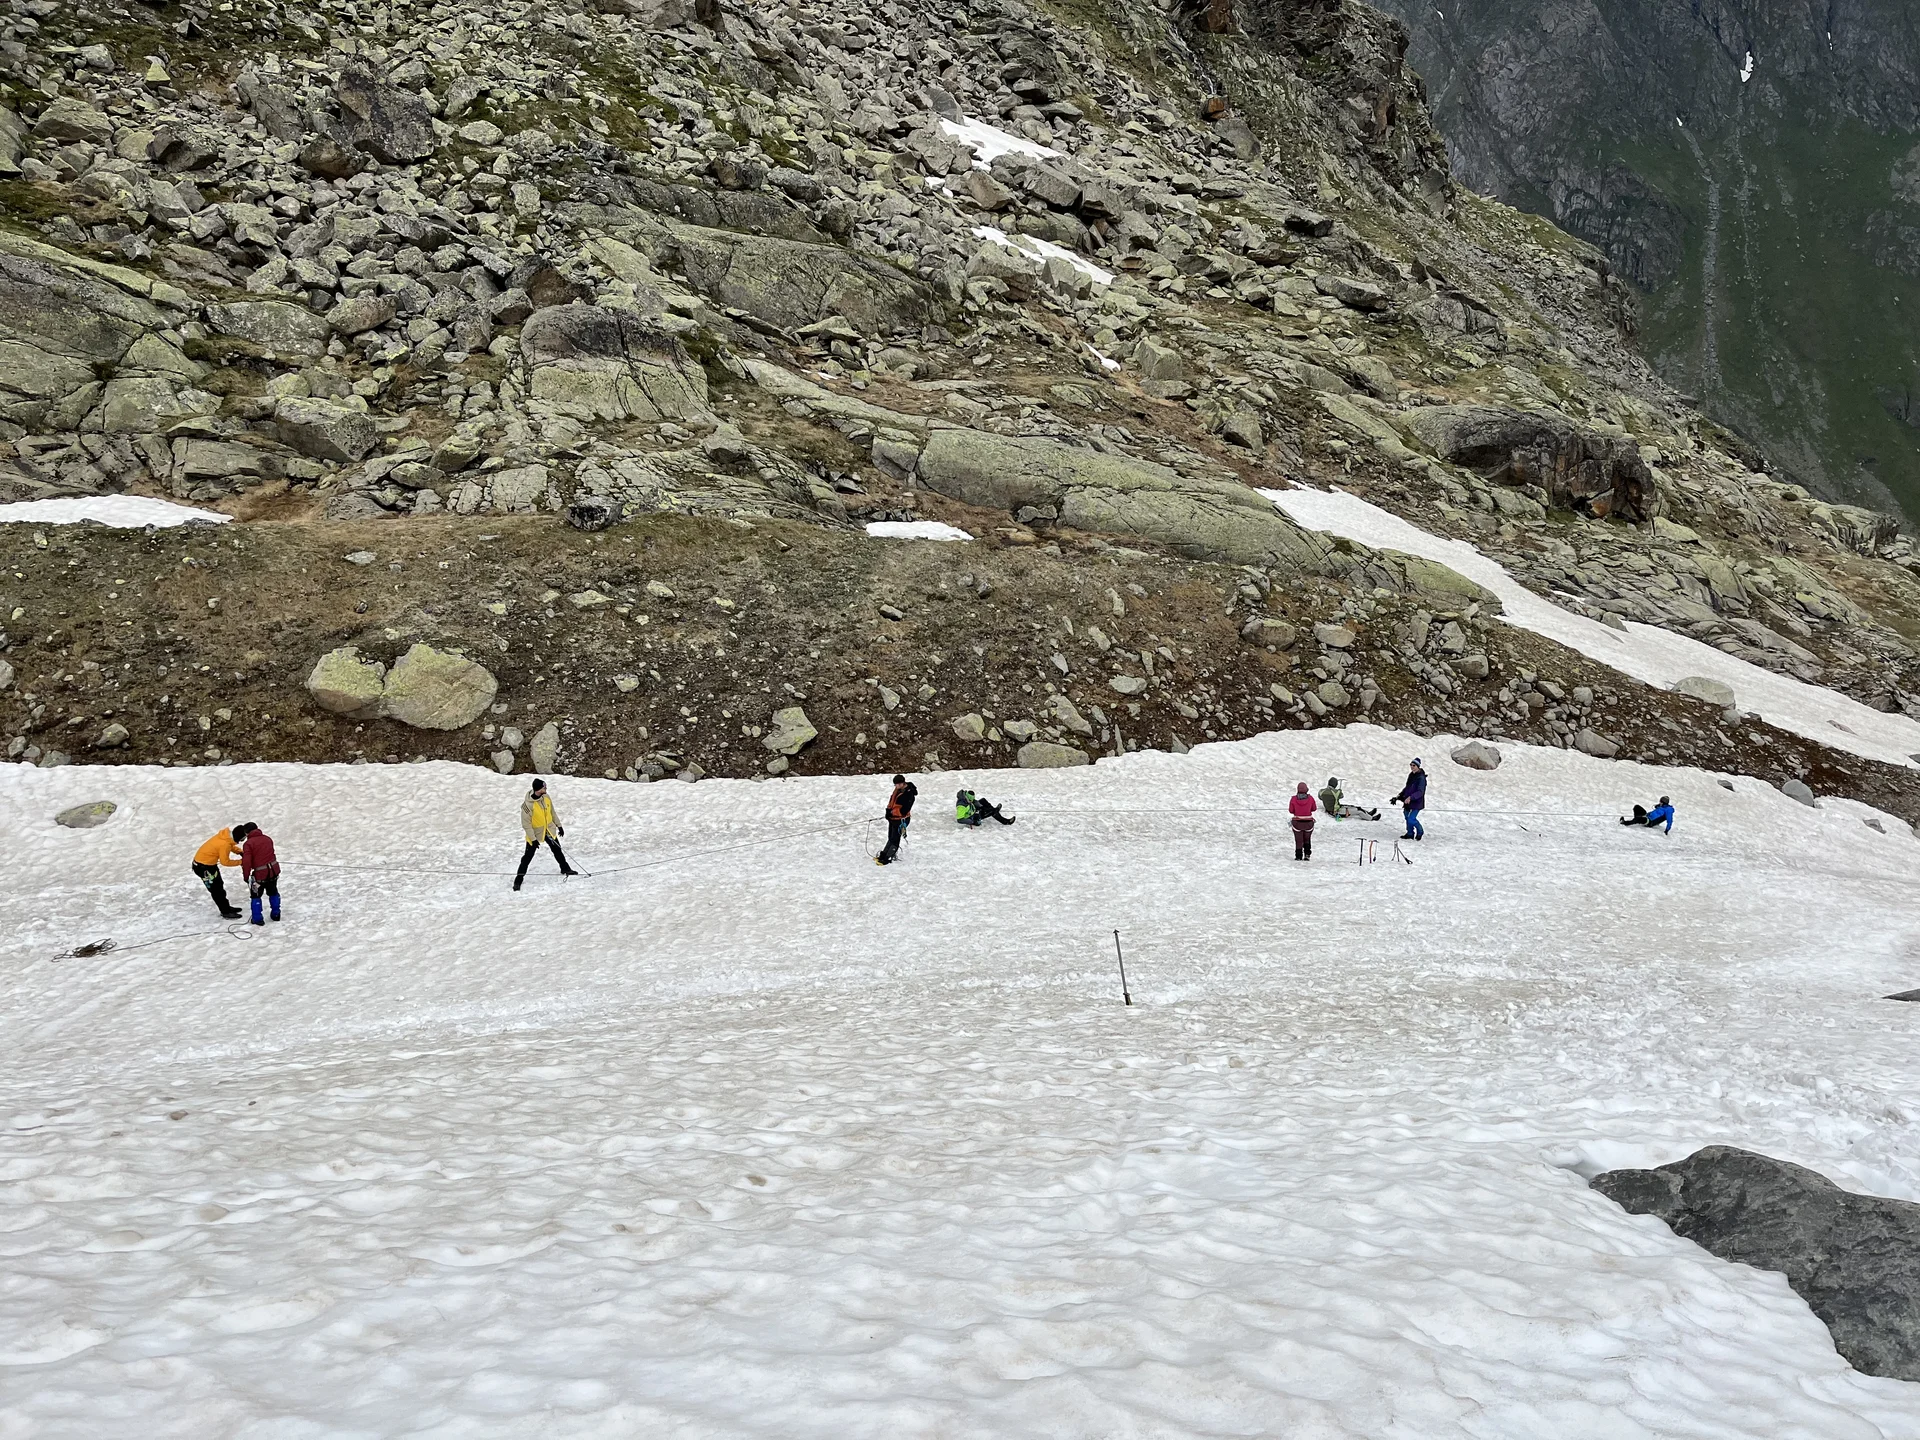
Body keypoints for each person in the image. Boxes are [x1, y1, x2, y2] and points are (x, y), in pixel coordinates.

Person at [514, 779, 578, 891]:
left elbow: (552, 812)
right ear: (538, 789)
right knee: (527, 857)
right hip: (535, 834)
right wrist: (533, 839)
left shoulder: (546, 798)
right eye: (544, 788)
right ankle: (518, 879)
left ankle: (565, 868)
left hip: (549, 830)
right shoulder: (527, 806)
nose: (546, 789)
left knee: (557, 850)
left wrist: (559, 825)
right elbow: (526, 825)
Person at [191, 824, 247, 919]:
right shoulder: (224, 844)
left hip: (208, 865)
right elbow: (225, 862)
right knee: (216, 890)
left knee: (219, 885)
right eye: (243, 838)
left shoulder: (225, 837)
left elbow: (231, 845)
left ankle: (226, 907)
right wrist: (241, 862)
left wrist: (239, 852)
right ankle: (225, 912)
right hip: (203, 868)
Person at [239, 821, 281, 925]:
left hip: (260, 874)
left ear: (247, 833)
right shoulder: (267, 839)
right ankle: (276, 913)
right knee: (273, 892)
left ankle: (257, 918)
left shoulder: (248, 844)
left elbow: (247, 862)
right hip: (273, 871)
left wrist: (246, 876)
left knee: (256, 895)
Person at [875, 774, 918, 865]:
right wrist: (888, 811)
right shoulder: (897, 790)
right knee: (890, 837)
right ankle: (884, 854)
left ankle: (888, 857)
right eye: (895, 785)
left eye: (898, 784)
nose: (896, 786)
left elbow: (904, 810)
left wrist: (892, 813)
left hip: (901, 820)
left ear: (903, 783)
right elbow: (892, 802)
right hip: (893, 818)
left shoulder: (909, 794)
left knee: (895, 838)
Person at [1391, 758, 1428, 840]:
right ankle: (1410, 833)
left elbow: (1420, 792)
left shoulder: (1421, 778)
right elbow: (1407, 788)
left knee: (1411, 818)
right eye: (1411, 765)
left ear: (1418, 766)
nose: (1412, 767)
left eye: (1414, 765)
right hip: (1408, 801)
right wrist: (1398, 797)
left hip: (1416, 802)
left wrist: (1411, 797)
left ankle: (1420, 831)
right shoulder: (1411, 775)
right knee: (1407, 817)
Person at [1288, 781, 1317, 861]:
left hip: (1297, 823)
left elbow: (1291, 810)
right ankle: (1307, 854)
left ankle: (1298, 855)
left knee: (1298, 839)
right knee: (1307, 838)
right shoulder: (1310, 798)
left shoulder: (1293, 799)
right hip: (1309, 823)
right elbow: (1314, 808)